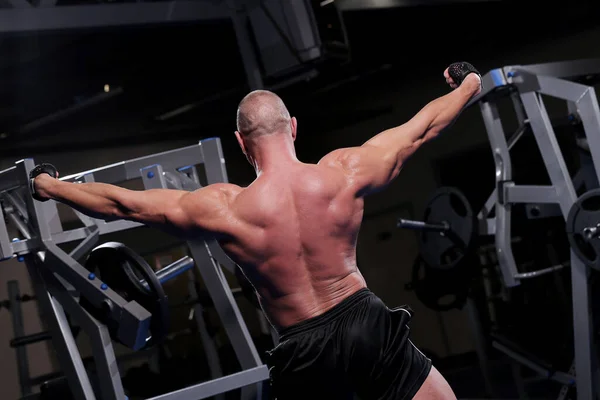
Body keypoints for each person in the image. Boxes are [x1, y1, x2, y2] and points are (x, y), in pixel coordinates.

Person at [31, 62, 482, 399]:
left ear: (242, 142)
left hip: (304, 351)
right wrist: (468, 85)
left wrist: (48, 185)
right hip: (365, 323)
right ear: (294, 127)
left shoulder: (226, 207)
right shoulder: (343, 172)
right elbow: (419, 131)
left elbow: (121, 204)